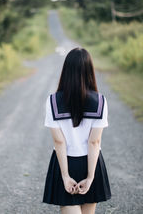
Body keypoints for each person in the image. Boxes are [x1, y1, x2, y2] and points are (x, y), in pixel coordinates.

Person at [42, 47, 111, 214]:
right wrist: (90, 177)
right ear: (89, 71)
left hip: (65, 162)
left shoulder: (52, 102)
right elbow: (94, 142)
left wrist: (65, 176)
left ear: (66, 71)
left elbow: (59, 142)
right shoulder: (100, 101)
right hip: (91, 163)